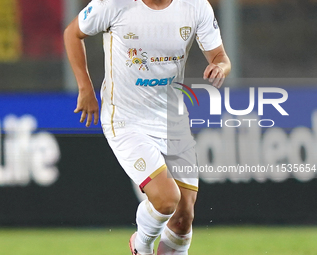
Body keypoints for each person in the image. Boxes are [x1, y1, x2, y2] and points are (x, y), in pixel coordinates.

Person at [64, 0, 231, 254]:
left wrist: (219, 67)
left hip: (172, 121)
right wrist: (85, 87)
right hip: (126, 119)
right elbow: (72, 33)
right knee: (166, 199)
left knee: (183, 218)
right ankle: (141, 246)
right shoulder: (114, 4)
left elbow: (220, 57)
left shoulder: (196, 6)